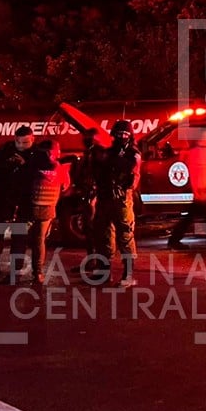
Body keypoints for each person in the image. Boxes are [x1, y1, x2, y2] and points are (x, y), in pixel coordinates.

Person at [90, 120, 141, 288]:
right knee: (104, 235)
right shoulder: (108, 152)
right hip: (105, 198)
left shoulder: (132, 153)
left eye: (124, 135)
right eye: (118, 134)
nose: (121, 137)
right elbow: (97, 171)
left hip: (122, 200)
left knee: (125, 236)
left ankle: (128, 275)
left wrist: (108, 157)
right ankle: (104, 273)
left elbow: (128, 167)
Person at [0, 125, 34, 283]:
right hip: (2, 201)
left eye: (25, 142)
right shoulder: (6, 149)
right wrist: (6, 162)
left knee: (19, 238)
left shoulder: (36, 154)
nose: (21, 145)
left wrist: (25, 165)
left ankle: (15, 273)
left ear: (32, 139)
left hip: (23, 202)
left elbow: (40, 172)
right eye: (18, 141)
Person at [25, 140, 69, 286]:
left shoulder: (31, 166)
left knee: (35, 239)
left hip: (33, 206)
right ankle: (37, 272)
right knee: (40, 240)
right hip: (48, 208)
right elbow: (65, 186)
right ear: (53, 152)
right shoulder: (61, 168)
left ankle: (35, 271)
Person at [62, 131, 103, 272]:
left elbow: (97, 176)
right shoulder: (89, 154)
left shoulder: (98, 154)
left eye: (89, 138)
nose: (86, 140)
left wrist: (94, 195)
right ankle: (92, 261)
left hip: (93, 196)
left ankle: (97, 263)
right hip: (87, 195)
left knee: (93, 230)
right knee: (88, 230)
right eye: (85, 138)